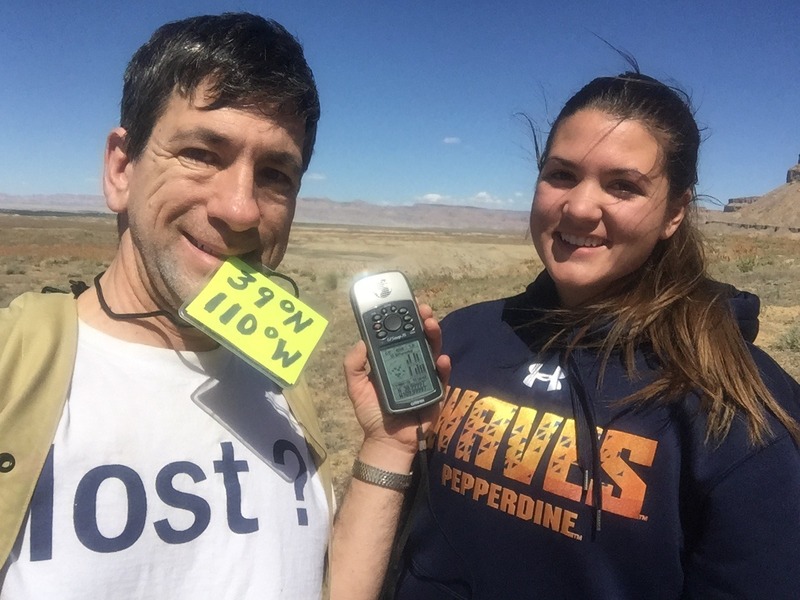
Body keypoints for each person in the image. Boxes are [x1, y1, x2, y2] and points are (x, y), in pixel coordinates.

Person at [335, 71, 800, 599]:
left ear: (674, 212)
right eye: (561, 175)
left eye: (623, 185)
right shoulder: (459, 342)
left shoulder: (740, 406)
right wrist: (387, 444)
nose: (579, 207)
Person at [0, 13, 333, 598]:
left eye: (276, 173)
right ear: (121, 169)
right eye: (203, 153)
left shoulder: (285, 382)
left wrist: (387, 448)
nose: (241, 210)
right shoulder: (13, 368)